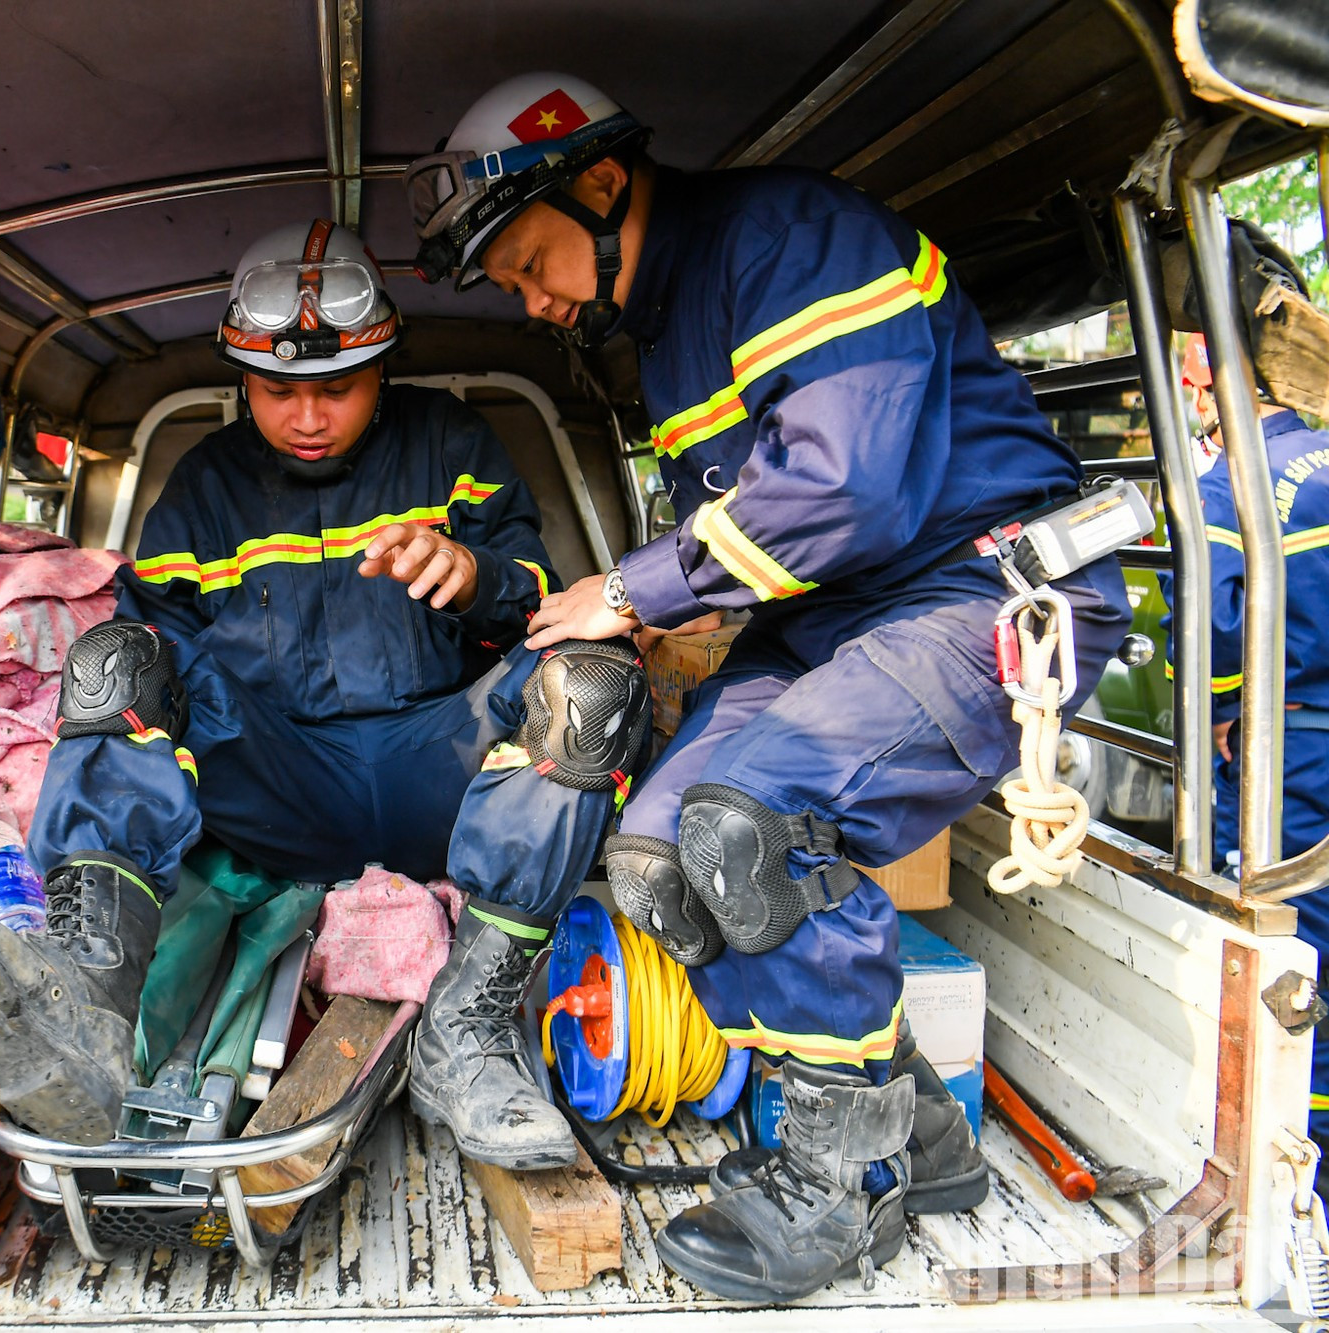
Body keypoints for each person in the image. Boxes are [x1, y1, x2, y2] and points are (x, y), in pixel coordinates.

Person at [407, 73, 1132, 1301]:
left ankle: (842, 1188)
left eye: (528, 262)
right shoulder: (661, 324)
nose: (529, 301)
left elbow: (851, 491)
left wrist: (628, 594)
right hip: (831, 621)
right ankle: (924, 1137)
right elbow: (756, 532)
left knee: (748, 827)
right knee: (654, 860)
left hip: (973, 595)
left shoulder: (789, 239)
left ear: (598, 185)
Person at [0, 219, 652, 1167]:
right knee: (119, 656)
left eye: (338, 389)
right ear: (242, 378)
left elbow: (540, 596)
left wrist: (476, 574)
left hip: (445, 773)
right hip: (276, 782)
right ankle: (85, 1006)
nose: (308, 416)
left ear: (385, 369)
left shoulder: (455, 444)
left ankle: (467, 1037)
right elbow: (157, 647)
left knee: (595, 682)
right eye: (279, 391)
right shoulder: (204, 487)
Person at [1159, 332, 1329, 1162]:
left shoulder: (1233, 482)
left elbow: (1213, 628)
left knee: (1298, 962)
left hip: (1293, 762)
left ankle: (1307, 1171)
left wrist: (1223, 710)